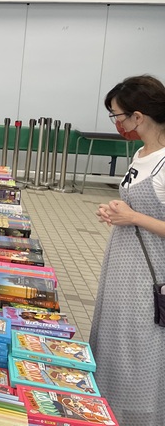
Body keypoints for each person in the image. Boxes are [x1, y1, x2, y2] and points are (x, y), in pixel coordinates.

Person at [92, 75, 165, 426]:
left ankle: (139, 417)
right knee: (113, 344)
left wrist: (133, 216)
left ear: (138, 116)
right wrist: (116, 212)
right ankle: (106, 411)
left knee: (139, 351)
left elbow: (142, 215)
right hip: (123, 267)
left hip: (149, 278)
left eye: (117, 115)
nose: (116, 123)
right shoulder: (141, 154)